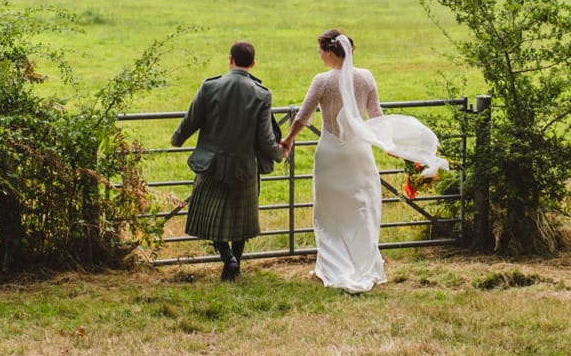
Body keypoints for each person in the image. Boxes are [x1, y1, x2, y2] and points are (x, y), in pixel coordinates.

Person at [280, 29, 449, 293]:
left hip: (330, 153)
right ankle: (362, 262)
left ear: (329, 52)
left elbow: (303, 116)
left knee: (329, 212)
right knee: (361, 209)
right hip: (358, 152)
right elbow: (376, 116)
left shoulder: (322, 81)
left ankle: (333, 265)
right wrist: (389, 145)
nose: (319, 57)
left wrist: (288, 140)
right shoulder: (366, 77)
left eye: (320, 52)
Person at [171, 40, 283, 280]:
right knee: (241, 220)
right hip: (244, 167)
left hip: (210, 165)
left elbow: (191, 120)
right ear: (253, 63)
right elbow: (265, 137)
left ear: (230, 59)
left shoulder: (210, 86)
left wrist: (177, 139)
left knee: (212, 216)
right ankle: (235, 264)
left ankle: (227, 258)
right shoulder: (262, 94)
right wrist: (278, 153)